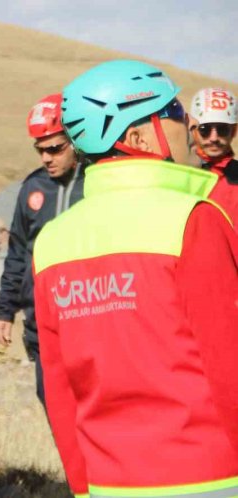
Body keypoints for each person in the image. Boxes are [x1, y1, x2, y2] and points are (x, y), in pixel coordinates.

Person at [33, 60, 238, 497]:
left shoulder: (52, 240)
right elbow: (230, 366)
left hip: (107, 481)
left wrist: (81, 485)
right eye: (177, 114)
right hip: (210, 476)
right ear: (139, 136)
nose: (189, 126)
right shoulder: (194, 218)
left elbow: (59, 386)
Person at [0, 93, 85, 405]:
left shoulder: (97, 183)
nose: (46, 158)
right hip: (43, 323)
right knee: (54, 404)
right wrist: (4, 310)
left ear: (75, 140)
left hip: (90, 317)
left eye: (55, 148)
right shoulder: (32, 188)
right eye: (40, 150)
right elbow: (18, 252)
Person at [190, 87, 238, 221]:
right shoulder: (178, 171)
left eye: (222, 129)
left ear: (233, 131)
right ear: (194, 130)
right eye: (205, 129)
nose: (214, 138)